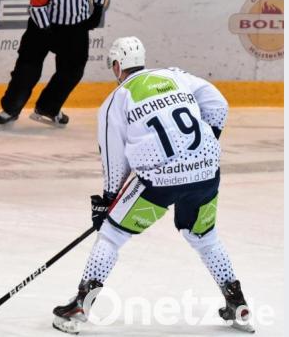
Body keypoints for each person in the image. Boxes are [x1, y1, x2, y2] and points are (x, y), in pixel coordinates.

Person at [52, 36, 253, 334]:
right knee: (204, 235)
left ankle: (81, 304)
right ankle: (237, 303)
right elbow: (217, 103)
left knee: (112, 234)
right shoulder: (175, 76)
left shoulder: (114, 101)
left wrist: (108, 200)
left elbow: (114, 157)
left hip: (159, 180)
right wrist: (204, 143)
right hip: (206, 170)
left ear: (117, 65)